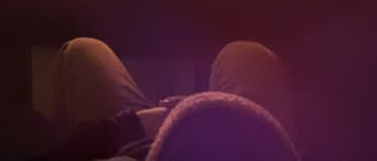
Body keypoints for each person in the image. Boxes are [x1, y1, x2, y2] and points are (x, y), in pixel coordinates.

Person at [50, 37, 297, 160]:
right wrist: (195, 113)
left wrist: (133, 125)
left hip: (146, 150)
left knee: (80, 53)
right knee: (247, 56)